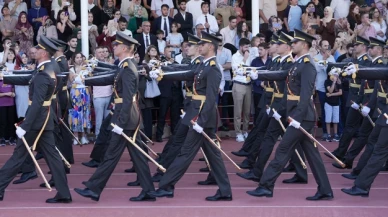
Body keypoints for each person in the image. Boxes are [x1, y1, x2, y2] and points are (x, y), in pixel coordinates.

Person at [246, 29, 333, 201]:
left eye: (295, 42)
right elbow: (281, 75)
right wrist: (259, 74)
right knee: (313, 156)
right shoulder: (297, 62)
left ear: (305, 45)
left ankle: (266, 186)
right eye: (292, 42)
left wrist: (297, 117)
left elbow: (307, 94)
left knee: (283, 149)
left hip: (302, 117)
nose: (292, 45)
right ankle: (325, 189)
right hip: (297, 115)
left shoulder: (308, 65)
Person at [148, 31, 232, 201]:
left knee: (185, 152)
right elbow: (186, 73)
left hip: (201, 116)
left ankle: (166, 185)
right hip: (196, 113)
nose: (198, 47)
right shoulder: (204, 65)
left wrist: (201, 121)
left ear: (210, 47)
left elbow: (210, 98)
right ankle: (225, 191)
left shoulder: (214, 68)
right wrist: (162, 74)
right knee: (213, 155)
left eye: (202, 44)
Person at [74, 32, 156, 202]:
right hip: (127, 117)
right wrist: (86, 81)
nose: (114, 47)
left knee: (112, 154)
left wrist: (120, 121)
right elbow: (110, 78)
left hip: (126, 117)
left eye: (117, 45)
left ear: (125, 48)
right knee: (138, 156)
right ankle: (148, 190)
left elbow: (128, 98)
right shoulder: (124, 65)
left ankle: (94, 188)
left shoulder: (127, 68)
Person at [0, 36, 72, 203]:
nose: (34, 50)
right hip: (45, 119)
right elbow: (30, 78)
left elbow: (37, 102)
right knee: (52, 156)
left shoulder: (43, 73)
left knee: (19, 154)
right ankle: (64, 193)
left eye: (38, 49)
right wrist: (6, 77)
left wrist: (25, 125)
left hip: (37, 121)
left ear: (44, 53)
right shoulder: (48, 68)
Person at [332, 37, 385, 172]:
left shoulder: (380, 64)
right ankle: (350, 161)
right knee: (365, 135)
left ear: (378, 50)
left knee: (371, 138)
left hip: (378, 105)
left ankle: (353, 164)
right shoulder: (372, 63)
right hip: (370, 103)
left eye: (371, 48)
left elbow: (377, 89)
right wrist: (359, 101)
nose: (369, 49)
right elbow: (364, 86)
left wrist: (368, 104)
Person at [340, 63, 388, 198]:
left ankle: (362, 186)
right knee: (373, 142)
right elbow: (379, 72)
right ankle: (360, 180)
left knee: (380, 151)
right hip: (384, 114)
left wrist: (359, 71)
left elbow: (381, 73)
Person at [326, 36, 371, 161]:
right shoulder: (355, 60)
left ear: (363, 47)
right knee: (352, 127)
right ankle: (341, 152)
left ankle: (341, 153)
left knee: (354, 127)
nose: (354, 47)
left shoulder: (366, 61)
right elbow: (344, 66)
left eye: (357, 45)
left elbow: (365, 81)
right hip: (353, 95)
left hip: (359, 97)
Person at [68, 52, 92, 145]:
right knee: (76, 114)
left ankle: (83, 136)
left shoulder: (87, 68)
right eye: (77, 57)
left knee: (85, 114)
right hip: (75, 93)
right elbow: (71, 80)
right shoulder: (71, 69)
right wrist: (78, 71)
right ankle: (75, 136)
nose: (79, 59)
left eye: (80, 57)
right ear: (74, 59)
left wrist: (91, 94)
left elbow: (89, 82)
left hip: (84, 92)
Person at [231, 38, 252, 142]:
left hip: (248, 84)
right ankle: (238, 133)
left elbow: (251, 69)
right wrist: (244, 59)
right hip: (238, 84)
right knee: (238, 112)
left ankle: (245, 131)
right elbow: (237, 70)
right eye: (245, 47)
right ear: (240, 47)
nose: (247, 49)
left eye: (248, 47)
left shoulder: (249, 55)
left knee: (247, 111)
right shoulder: (235, 56)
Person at [324, 72, 342, 142]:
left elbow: (340, 92)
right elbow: (330, 90)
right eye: (334, 75)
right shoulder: (327, 81)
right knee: (328, 119)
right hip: (328, 103)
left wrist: (331, 95)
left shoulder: (339, 82)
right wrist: (334, 82)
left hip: (336, 103)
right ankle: (328, 134)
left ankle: (335, 134)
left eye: (336, 75)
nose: (335, 76)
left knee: (336, 119)